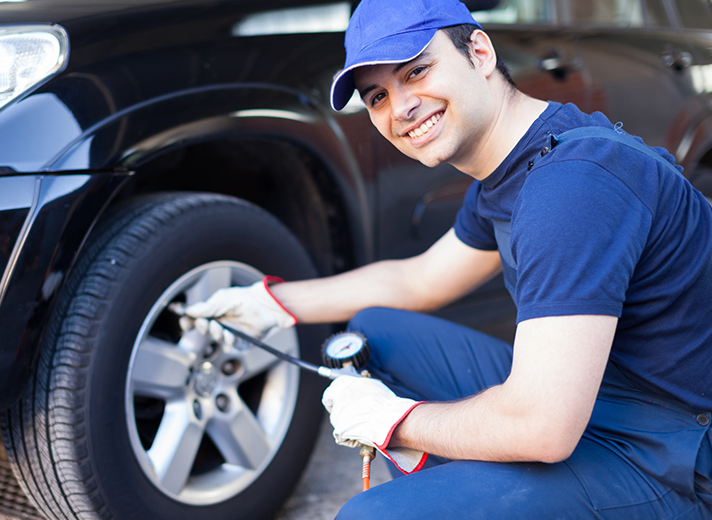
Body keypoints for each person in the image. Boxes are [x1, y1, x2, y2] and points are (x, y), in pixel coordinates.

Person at [181, 0, 712, 517]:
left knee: (373, 517)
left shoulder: (571, 185)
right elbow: (420, 281)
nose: (401, 108)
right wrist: (270, 303)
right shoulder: (514, 167)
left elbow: (542, 427)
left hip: (676, 452)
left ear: (479, 53)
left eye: (416, 71)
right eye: (377, 97)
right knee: (376, 335)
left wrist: (397, 422)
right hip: (598, 395)